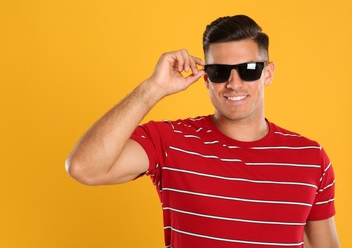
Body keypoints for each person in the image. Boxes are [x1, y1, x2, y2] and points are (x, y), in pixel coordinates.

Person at [66, 15, 340, 247]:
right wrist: (154, 88)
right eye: (220, 72)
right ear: (206, 79)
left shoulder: (310, 157)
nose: (234, 83)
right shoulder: (171, 141)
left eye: (248, 69)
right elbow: (84, 168)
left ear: (267, 74)